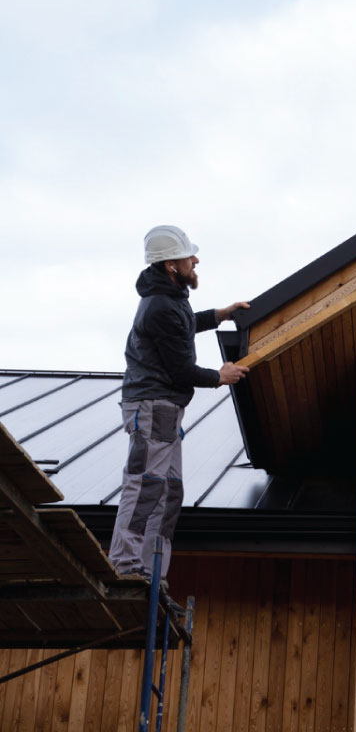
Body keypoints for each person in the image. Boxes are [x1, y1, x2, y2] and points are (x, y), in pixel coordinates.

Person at [109, 225, 249, 580]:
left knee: (169, 492)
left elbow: (185, 325)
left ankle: (152, 570)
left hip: (165, 409)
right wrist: (220, 376)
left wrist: (220, 314)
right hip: (152, 406)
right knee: (145, 485)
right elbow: (180, 369)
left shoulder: (169, 299)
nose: (195, 260)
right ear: (171, 265)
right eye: (189, 256)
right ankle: (126, 565)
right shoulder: (159, 307)